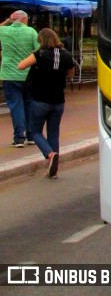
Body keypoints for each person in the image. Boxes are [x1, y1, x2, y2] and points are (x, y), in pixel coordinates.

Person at [17, 28, 75, 178]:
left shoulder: (40, 54)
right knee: (53, 133)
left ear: (42, 41)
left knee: (34, 131)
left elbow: (21, 66)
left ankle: (50, 154)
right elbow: (71, 74)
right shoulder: (67, 55)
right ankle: (53, 169)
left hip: (40, 99)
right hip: (58, 101)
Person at [0, 10, 39, 147]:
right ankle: (31, 136)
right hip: (28, 75)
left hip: (9, 75)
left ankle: (19, 138)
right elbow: (38, 50)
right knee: (29, 105)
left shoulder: (3, 31)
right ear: (23, 19)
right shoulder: (31, 32)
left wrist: (7, 21)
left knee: (16, 107)